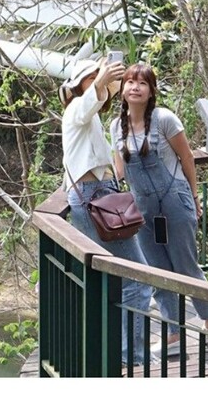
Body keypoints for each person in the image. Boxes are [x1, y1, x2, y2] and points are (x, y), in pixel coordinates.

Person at [110, 63, 208, 358]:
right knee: (157, 270)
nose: (135, 87)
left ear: (151, 92)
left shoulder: (164, 119)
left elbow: (186, 157)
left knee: (185, 265)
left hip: (175, 199)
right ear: (122, 90)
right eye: (130, 82)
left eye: (142, 83)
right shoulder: (116, 126)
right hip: (143, 208)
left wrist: (194, 195)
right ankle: (174, 333)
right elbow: (119, 171)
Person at [59, 57, 152, 366]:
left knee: (115, 276)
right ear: (81, 85)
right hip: (94, 198)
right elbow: (87, 105)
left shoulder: (90, 116)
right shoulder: (77, 110)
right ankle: (131, 356)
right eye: (94, 80)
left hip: (97, 196)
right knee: (138, 278)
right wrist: (100, 81)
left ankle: (116, 351)